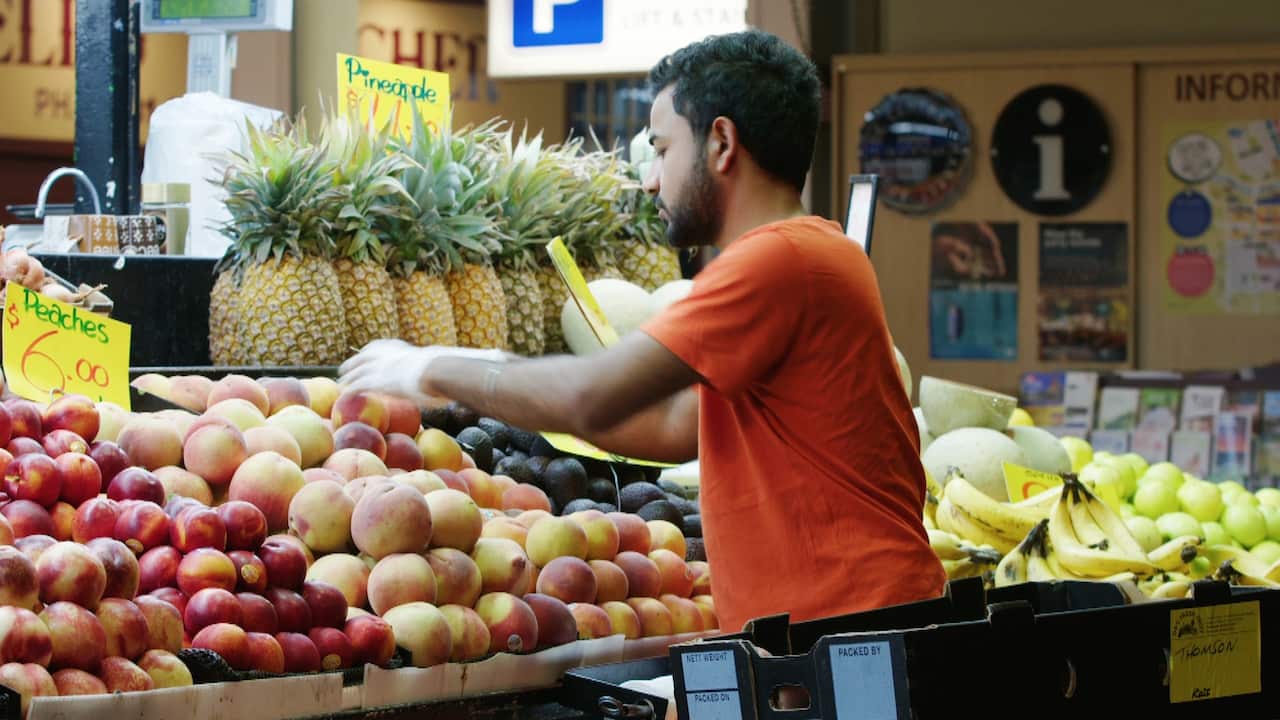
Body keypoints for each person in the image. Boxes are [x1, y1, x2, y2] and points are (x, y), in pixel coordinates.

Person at [340, 29, 946, 632]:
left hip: (849, 632)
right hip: (841, 626)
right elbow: (673, 425)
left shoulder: (775, 261)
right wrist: (498, 374)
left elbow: (592, 394)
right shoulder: (811, 252)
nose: (652, 180)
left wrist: (431, 367)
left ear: (722, 143)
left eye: (661, 149)